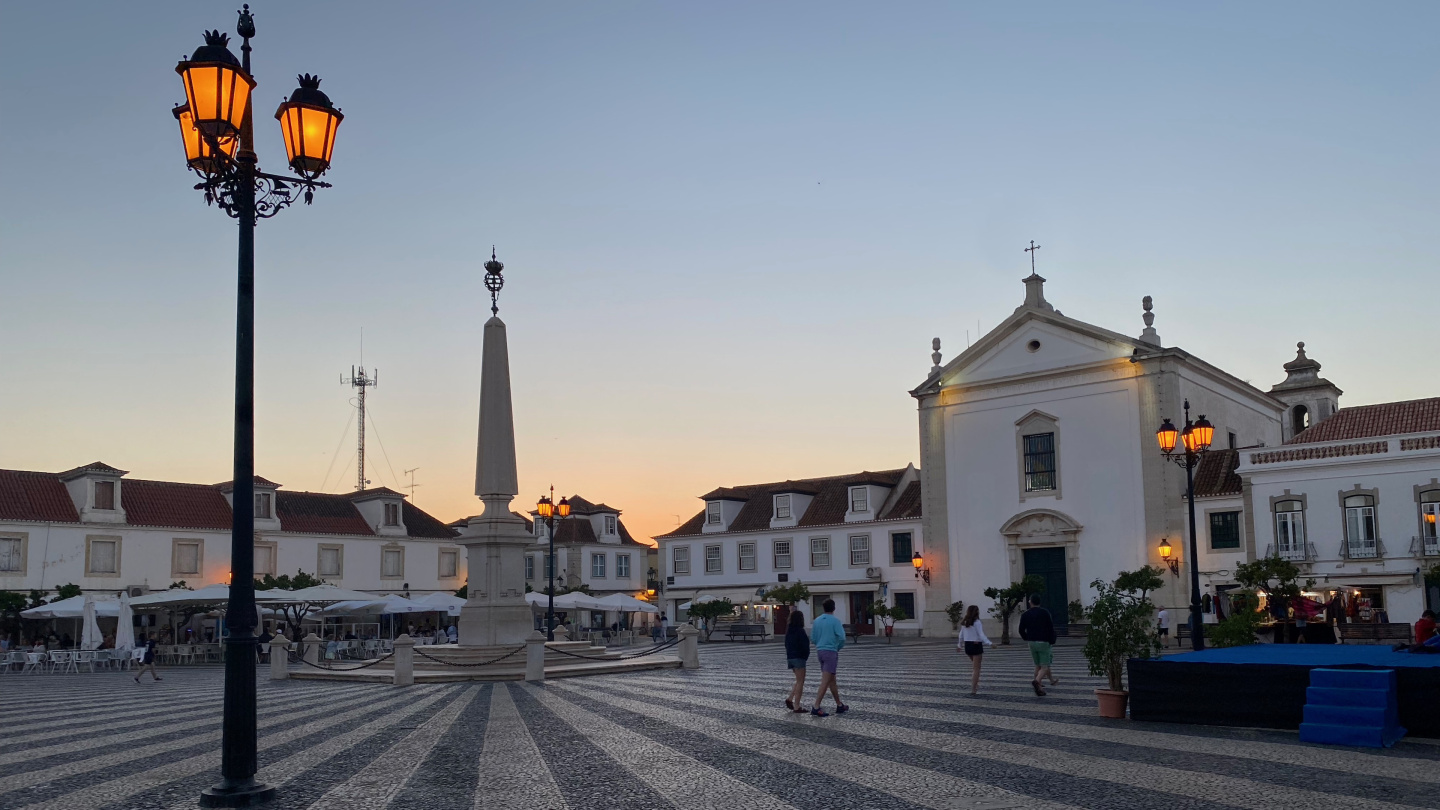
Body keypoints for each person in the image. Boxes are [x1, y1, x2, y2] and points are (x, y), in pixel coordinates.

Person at [810, 599, 848, 717]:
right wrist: (837, 647)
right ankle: (816, 706)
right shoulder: (835, 621)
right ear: (834, 608)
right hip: (830, 651)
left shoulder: (817, 620)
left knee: (832, 679)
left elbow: (813, 638)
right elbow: (842, 637)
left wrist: (819, 644)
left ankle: (839, 704)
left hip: (820, 651)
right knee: (826, 681)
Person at [1018, 595, 1058, 696]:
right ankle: (1037, 681)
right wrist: (1052, 640)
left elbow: (1021, 629)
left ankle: (1039, 688)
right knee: (1044, 666)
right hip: (1043, 641)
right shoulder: (1045, 613)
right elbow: (1050, 627)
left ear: (1030, 602)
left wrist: (1026, 637)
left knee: (1037, 665)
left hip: (1031, 642)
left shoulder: (1025, 614)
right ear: (1039, 602)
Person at [956, 605, 993, 696]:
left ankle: (975, 685)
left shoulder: (964, 622)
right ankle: (973, 689)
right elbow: (981, 635)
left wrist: (959, 645)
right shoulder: (977, 622)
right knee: (976, 669)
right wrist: (990, 643)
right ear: (976, 612)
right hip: (976, 645)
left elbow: (960, 636)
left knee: (975, 667)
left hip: (967, 646)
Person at [784, 610, 810, 713]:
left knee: (798, 680)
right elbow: (805, 645)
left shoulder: (789, 630)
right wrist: (805, 656)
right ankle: (797, 706)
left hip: (790, 657)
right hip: (799, 657)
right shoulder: (800, 630)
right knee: (800, 682)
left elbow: (786, 644)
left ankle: (790, 699)